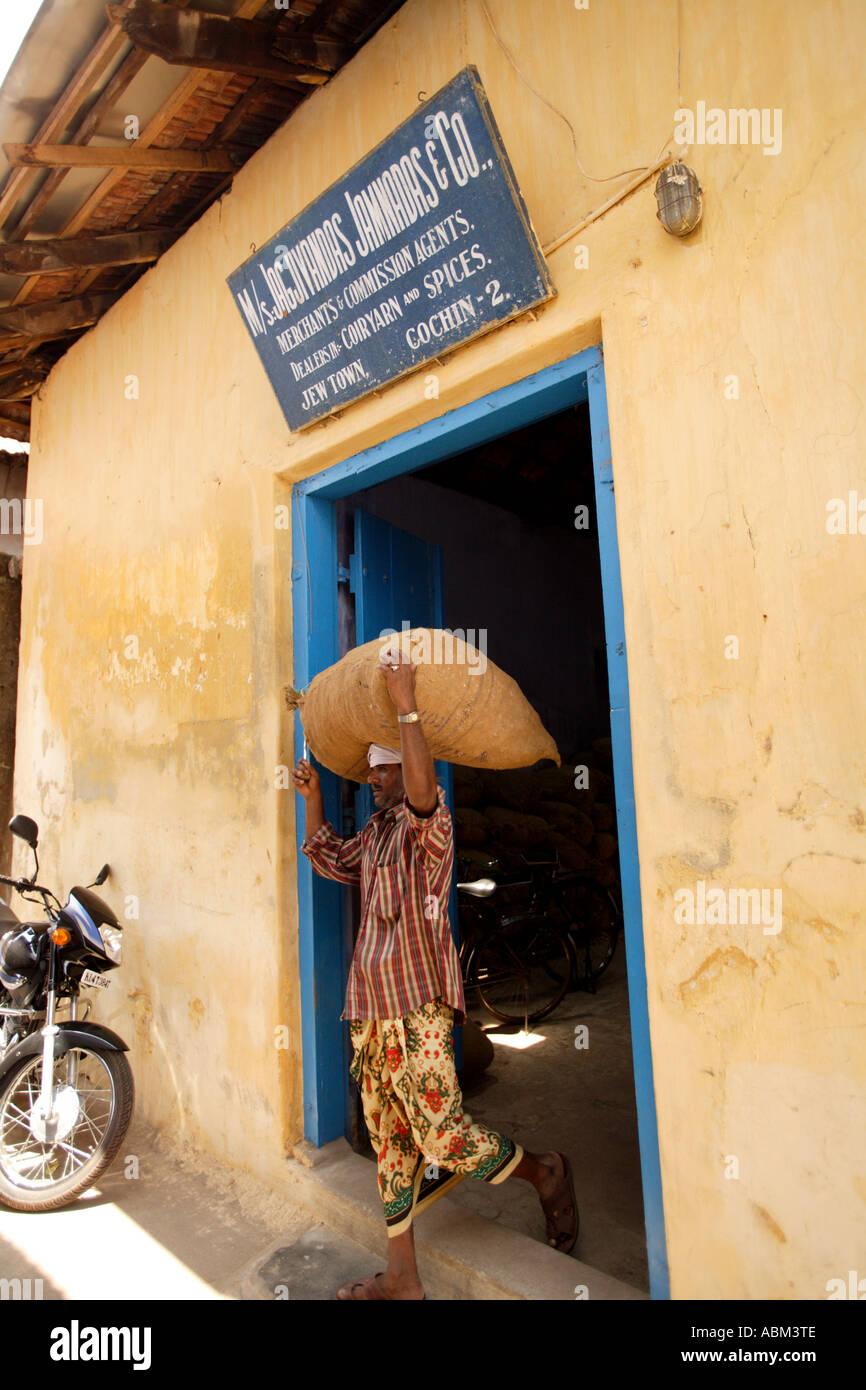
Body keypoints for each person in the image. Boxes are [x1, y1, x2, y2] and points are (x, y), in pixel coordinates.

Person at [293, 648, 577, 1300]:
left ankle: (547, 1174)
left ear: (406, 769)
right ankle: (403, 1279)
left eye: (383, 771)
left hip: (417, 1003)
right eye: (370, 774)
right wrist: (312, 801)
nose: (374, 781)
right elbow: (332, 861)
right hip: (371, 1008)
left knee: (444, 1137)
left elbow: (422, 794)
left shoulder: (431, 824)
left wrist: (406, 707)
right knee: (391, 1142)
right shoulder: (377, 832)